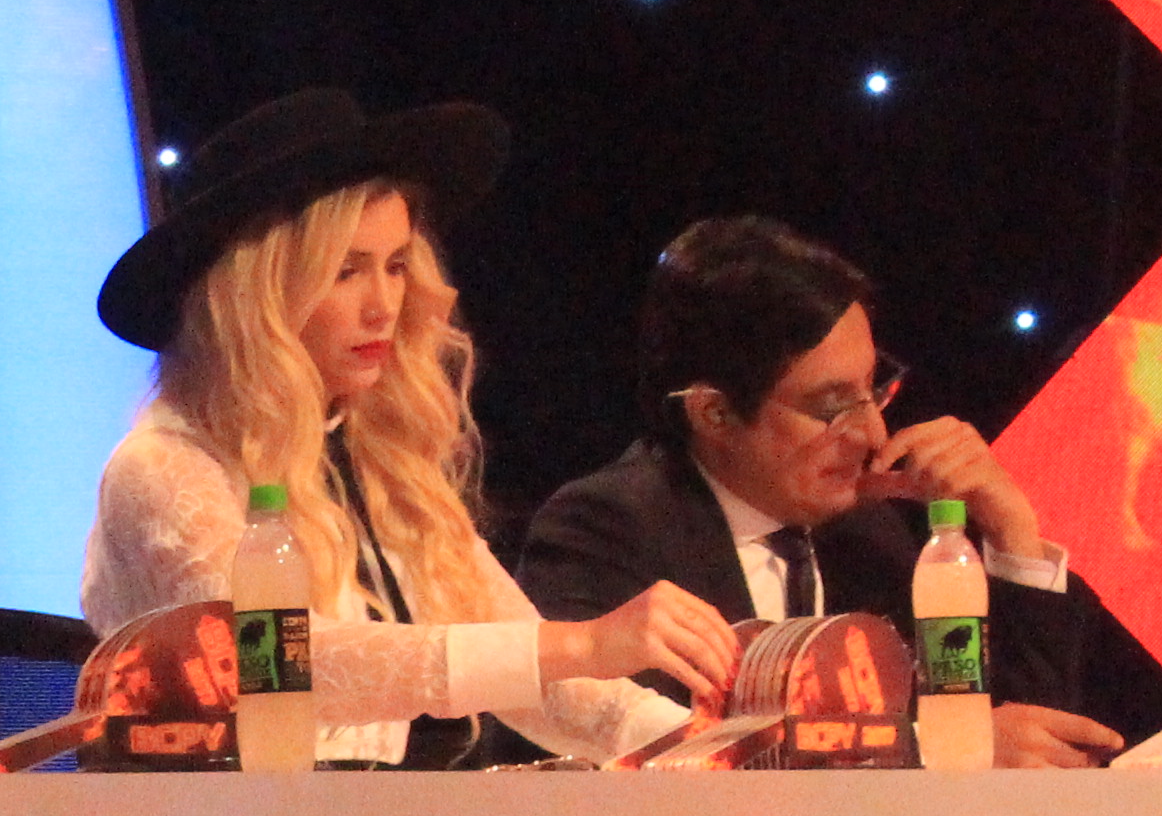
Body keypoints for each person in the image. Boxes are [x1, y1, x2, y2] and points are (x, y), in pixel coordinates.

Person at [81, 93, 738, 766]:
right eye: (345, 271)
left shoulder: (379, 461)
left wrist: (727, 750)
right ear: (255, 296)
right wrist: (582, 643)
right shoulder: (163, 469)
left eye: (396, 266)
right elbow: (276, 664)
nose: (383, 306)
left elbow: (547, 688)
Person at [518, 216, 1117, 765]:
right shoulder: (607, 529)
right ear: (714, 413)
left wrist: (1012, 534)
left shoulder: (875, 533)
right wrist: (933, 748)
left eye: (873, 389)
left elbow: (1032, 746)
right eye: (831, 408)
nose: (872, 434)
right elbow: (646, 756)